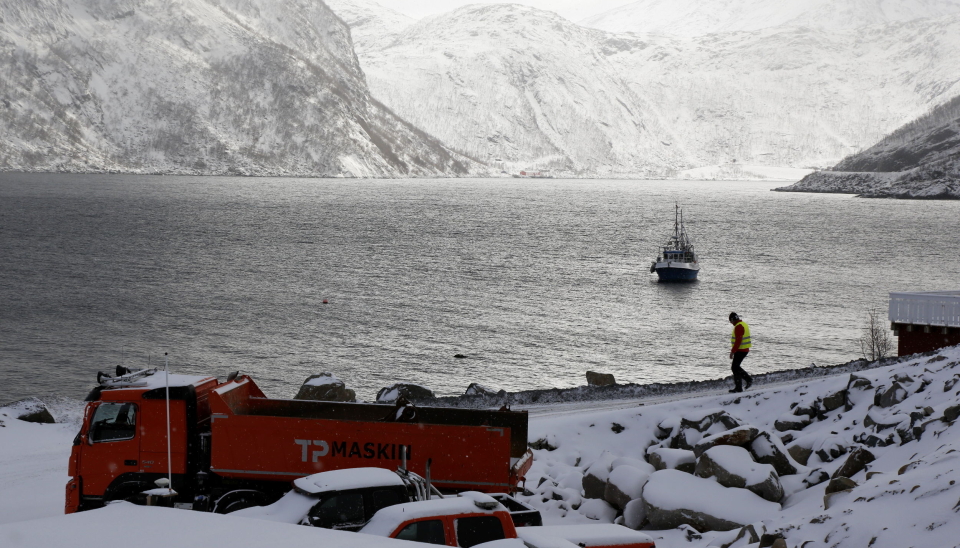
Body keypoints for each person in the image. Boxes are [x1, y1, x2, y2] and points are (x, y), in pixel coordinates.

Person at [728, 312, 753, 393]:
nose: (731, 323)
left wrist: (732, 352)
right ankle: (740, 386)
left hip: (741, 350)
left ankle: (747, 380)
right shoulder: (743, 324)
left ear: (732, 320)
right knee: (736, 367)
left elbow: (738, 340)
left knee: (735, 367)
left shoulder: (738, 326)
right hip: (744, 349)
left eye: (730, 321)